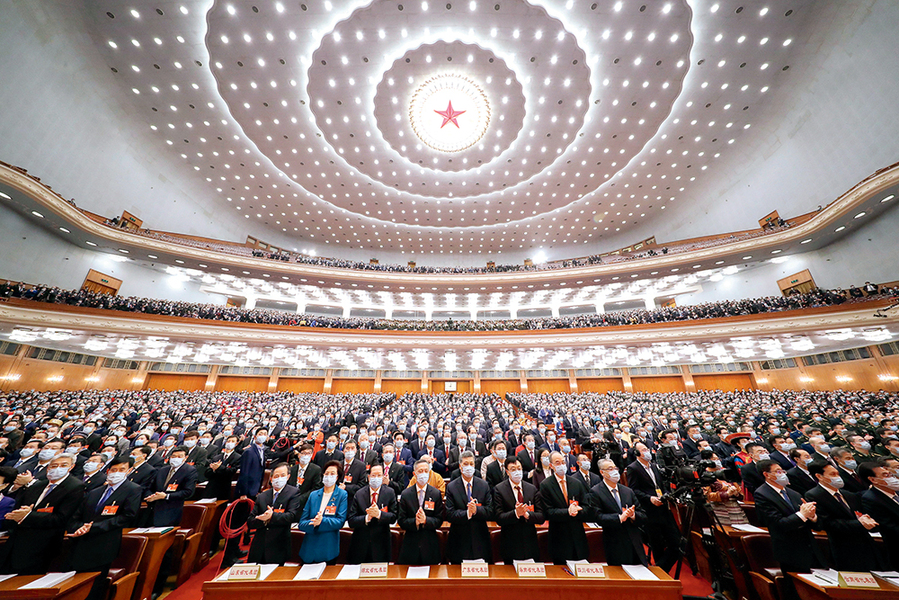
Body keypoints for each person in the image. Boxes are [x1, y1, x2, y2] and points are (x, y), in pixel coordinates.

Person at [67, 456, 142, 600]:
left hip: (105, 543)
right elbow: (76, 516)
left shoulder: (133, 489)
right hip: (81, 543)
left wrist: (93, 527)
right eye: (114, 470)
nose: (116, 472)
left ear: (129, 471)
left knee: (95, 587)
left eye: (122, 470)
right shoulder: (95, 492)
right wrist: (79, 528)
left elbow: (128, 516)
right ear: (107, 471)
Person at [0, 452, 84, 574]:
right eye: (53, 466)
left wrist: (28, 515)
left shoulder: (75, 486)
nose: (57, 468)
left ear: (71, 467)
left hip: (42, 545)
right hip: (16, 541)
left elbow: (61, 518)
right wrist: (16, 516)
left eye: (63, 465)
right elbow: (19, 508)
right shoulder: (38, 485)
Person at [753, 459, 825, 599]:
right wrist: (802, 515)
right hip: (789, 549)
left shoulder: (794, 493)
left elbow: (815, 524)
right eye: (778, 472)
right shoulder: (762, 494)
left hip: (809, 547)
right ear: (767, 475)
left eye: (783, 471)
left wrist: (812, 516)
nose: (782, 474)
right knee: (795, 592)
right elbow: (779, 524)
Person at [805, 461, 883, 571]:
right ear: (819, 476)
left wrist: (866, 519)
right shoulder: (814, 495)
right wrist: (859, 523)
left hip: (865, 544)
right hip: (843, 547)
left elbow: (859, 514)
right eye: (832, 474)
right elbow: (827, 523)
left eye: (837, 473)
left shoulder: (848, 495)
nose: (837, 477)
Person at [626, 442, 680, 571]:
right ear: (637, 453)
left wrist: (666, 494)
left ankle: (660, 568)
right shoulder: (633, 468)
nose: (647, 451)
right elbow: (634, 490)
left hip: (663, 507)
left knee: (676, 543)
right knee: (657, 544)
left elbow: (662, 485)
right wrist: (650, 498)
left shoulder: (654, 466)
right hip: (649, 510)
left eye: (647, 449)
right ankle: (661, 573)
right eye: (643, 450)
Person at [590, 458, 649, 566]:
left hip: (634, 542)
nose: (615, 471)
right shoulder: (596, 491)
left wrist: (633, 515)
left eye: (615, 468)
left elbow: (643, 515)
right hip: (615, 543)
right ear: (602, 472)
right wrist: (619, 518)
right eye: (610, 469)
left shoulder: (627, 491)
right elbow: (598, 517)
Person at [539, 450, 589, 564]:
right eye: (557, 462)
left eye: (563, 462)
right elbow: (548, 512)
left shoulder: (576, 483)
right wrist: (567, 511)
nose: (561, 465)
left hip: (578, 536)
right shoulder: (546, 485)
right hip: (559, 538)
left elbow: (587, 506)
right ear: (551, 465)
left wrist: (578, 511)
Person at [247, 463, 302, 565]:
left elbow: (291, 516)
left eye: (282, 475)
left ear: (288, 477)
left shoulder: (293, 493)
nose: (279, 478)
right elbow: (250, 521)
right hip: (260, 546)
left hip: (279, 545)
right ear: (271, 479)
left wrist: (271, 517)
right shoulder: (262, 496)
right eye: (276, 476)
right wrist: (262, 520)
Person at [492, 457, 544, 563]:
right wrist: (516, 513)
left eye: (519, 468)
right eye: (513, 469)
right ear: (507, 472)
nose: (517, 471)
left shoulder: (532, 489)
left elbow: (541, 517)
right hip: (510, 544)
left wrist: (527, 515)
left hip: (530, 543)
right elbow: (499, 518)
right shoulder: (499, 489)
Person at [445, 451, 493, 563]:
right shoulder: (452, 487)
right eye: (466, 464)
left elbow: (490, 511)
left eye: (471, 464)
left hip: (480, 538)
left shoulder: (483, 485)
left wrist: (476, 510)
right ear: (460, 467)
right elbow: (449, 514)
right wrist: (467, 513)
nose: (469, 467)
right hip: (459, 540)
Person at [297, 461, 348, 564]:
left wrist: (322, 521)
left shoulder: (342, 495)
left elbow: (340, 521)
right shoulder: (314, 495)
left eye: (332, 473)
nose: (329, 476)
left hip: (328, 549)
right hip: (309, 548)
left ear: (337, 477)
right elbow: (302, 523)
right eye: (326, 473)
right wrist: (314, 524)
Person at [397, 459, 445, 565]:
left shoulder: (436, 493)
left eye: (426, 471)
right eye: (420, 471)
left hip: (430, 544)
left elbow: (439, 520)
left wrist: (426, 520)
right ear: (414, 474)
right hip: (410, 545)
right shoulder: (406, 494)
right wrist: (415, 522)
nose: (423, 474)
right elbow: (401, 520)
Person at [347, 463, 397, 563]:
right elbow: (351, 520)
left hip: (381, 545)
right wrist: (367, 518)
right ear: (369, 477)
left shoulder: (390, 493)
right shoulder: (359, 493)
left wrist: (379, 514)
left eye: (379, 475)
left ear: (383, 477)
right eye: (373, 475)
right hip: (361, 545)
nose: (376, 478)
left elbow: (393, 517)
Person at [859, 461, 899, 570]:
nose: (890, 477)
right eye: (885, 475)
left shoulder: (896, 492)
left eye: (889, 474)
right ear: (873, 480)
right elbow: (888, 526)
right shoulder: (871, 498)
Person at [145, 446, 198, 526]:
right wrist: (150, 496)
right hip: (154, 508)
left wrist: (166, 496)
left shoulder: (190, 471)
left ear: (185, 458)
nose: (176, 458)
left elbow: (188, 491)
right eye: (173, 456)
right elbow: (150, 486)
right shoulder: (162, 470)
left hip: (172, 509)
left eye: (179, 456)